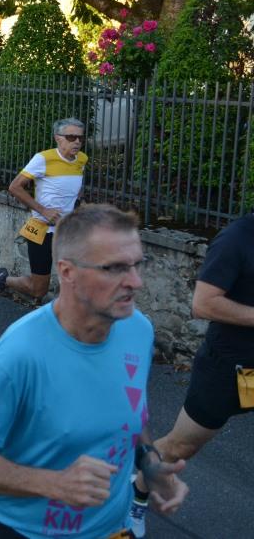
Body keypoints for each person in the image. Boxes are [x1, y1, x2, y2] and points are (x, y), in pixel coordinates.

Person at [0, 204, 189, 538]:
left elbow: (130, 411)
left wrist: (150, 463)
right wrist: (53, 483)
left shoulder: (137, 330)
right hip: (22, 532)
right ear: (67, 272)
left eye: (136, 265)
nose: (135, 282)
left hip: (111, 529)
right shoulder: (18, 354)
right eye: (114, 268)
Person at [129, 210, 254, 537]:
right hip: (229, 369)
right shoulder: (237, 238)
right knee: (181, 446)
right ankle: (137, 491)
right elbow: (204, 303)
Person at [0, 118, 88, 304]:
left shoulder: (82, 159)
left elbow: (75, 187)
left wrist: (80, 204)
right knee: (38, 290)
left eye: (80, 138)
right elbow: (15, 187)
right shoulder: (43, 159)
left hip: (67, 231)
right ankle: (3, 281)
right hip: (42, 230)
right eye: (71, 137)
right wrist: (44, 210)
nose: (77, 142)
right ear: (58, 138)